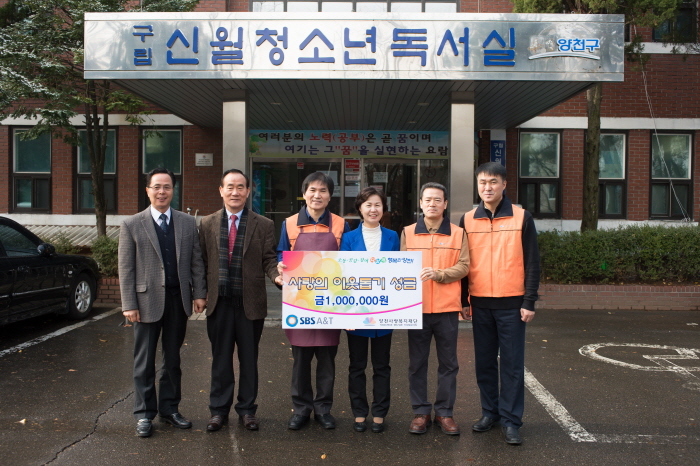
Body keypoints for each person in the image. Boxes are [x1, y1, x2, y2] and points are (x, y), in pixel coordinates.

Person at [119, 167, 207, 438]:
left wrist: (199, 293)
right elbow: (126, 268)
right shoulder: (132, 224)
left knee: (173, 359)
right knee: (144, 361)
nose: (162, 191)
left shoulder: (187, 223)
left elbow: (196, 261)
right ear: (147, 190)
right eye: (156, 186)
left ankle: (169, 409)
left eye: (167, 187)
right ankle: (144, 413)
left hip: (178, 300)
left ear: (173, 190)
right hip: (145, 302)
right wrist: (128, 303)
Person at [460, 162, 540, 446]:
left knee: (512, 365)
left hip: (512, 304)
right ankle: (489, 413)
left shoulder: (521, 217)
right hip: (480, 303)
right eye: (482, 182)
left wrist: (529, 301)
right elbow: (462, 263)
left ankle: (511, 420)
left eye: (493, 182)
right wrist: (464, 300)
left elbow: (532, 262)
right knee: (484, 363)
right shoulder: (468, 220)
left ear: (504, 185)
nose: (487, 187)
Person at [199, 169, 283, 432]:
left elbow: (269, 259)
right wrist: (199, 293)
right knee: (221, 359)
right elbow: (201, 261)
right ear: (221, 190)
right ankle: (218, 411)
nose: (235, 192)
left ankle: (247, 410)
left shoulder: (264, 224)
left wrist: (277, 275)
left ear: (248, 191)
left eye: (240, 187)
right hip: (219, 303)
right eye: (230, 187)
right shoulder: (207, 223)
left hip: (251, 303)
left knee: (249, 360)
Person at [277, 172, 350, 430]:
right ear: (304, 193)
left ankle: (323, 409)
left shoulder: (341, 224)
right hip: (300, 301)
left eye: (323, 191)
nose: (317, 195)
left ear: (330, 196)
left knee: (327, 361)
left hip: (331, 301)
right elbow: (281, 254)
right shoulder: (289, 224)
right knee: (301, 361)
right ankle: (301, 409)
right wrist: (280, 266)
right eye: (312, 190)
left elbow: (348, 260)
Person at [402, 182, 469, 436]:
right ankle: (420, 412)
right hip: (416, 308)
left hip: (446, 308)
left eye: (437, 200)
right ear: (420, 203)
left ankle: (444, 412)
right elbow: (400, 266)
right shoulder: (408, 232)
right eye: (428, 199)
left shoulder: (458, 233)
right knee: (417, 364)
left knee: (449, 364)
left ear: (445, 204)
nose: (432, 204)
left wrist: (439, 274)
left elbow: (464, 266)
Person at [339, 187, 400, 434]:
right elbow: (343, 275)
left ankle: (380, 413)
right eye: (368, 205)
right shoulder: (348, 238)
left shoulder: (393, 237)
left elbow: (399, 274)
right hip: (356, 312)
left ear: (383, 209)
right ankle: (359, 412)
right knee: (357, 365)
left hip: (384, 312)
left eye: (378, 205)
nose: (373, 209)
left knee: (382, 365)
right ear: (360, 209)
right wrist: (345, 313)